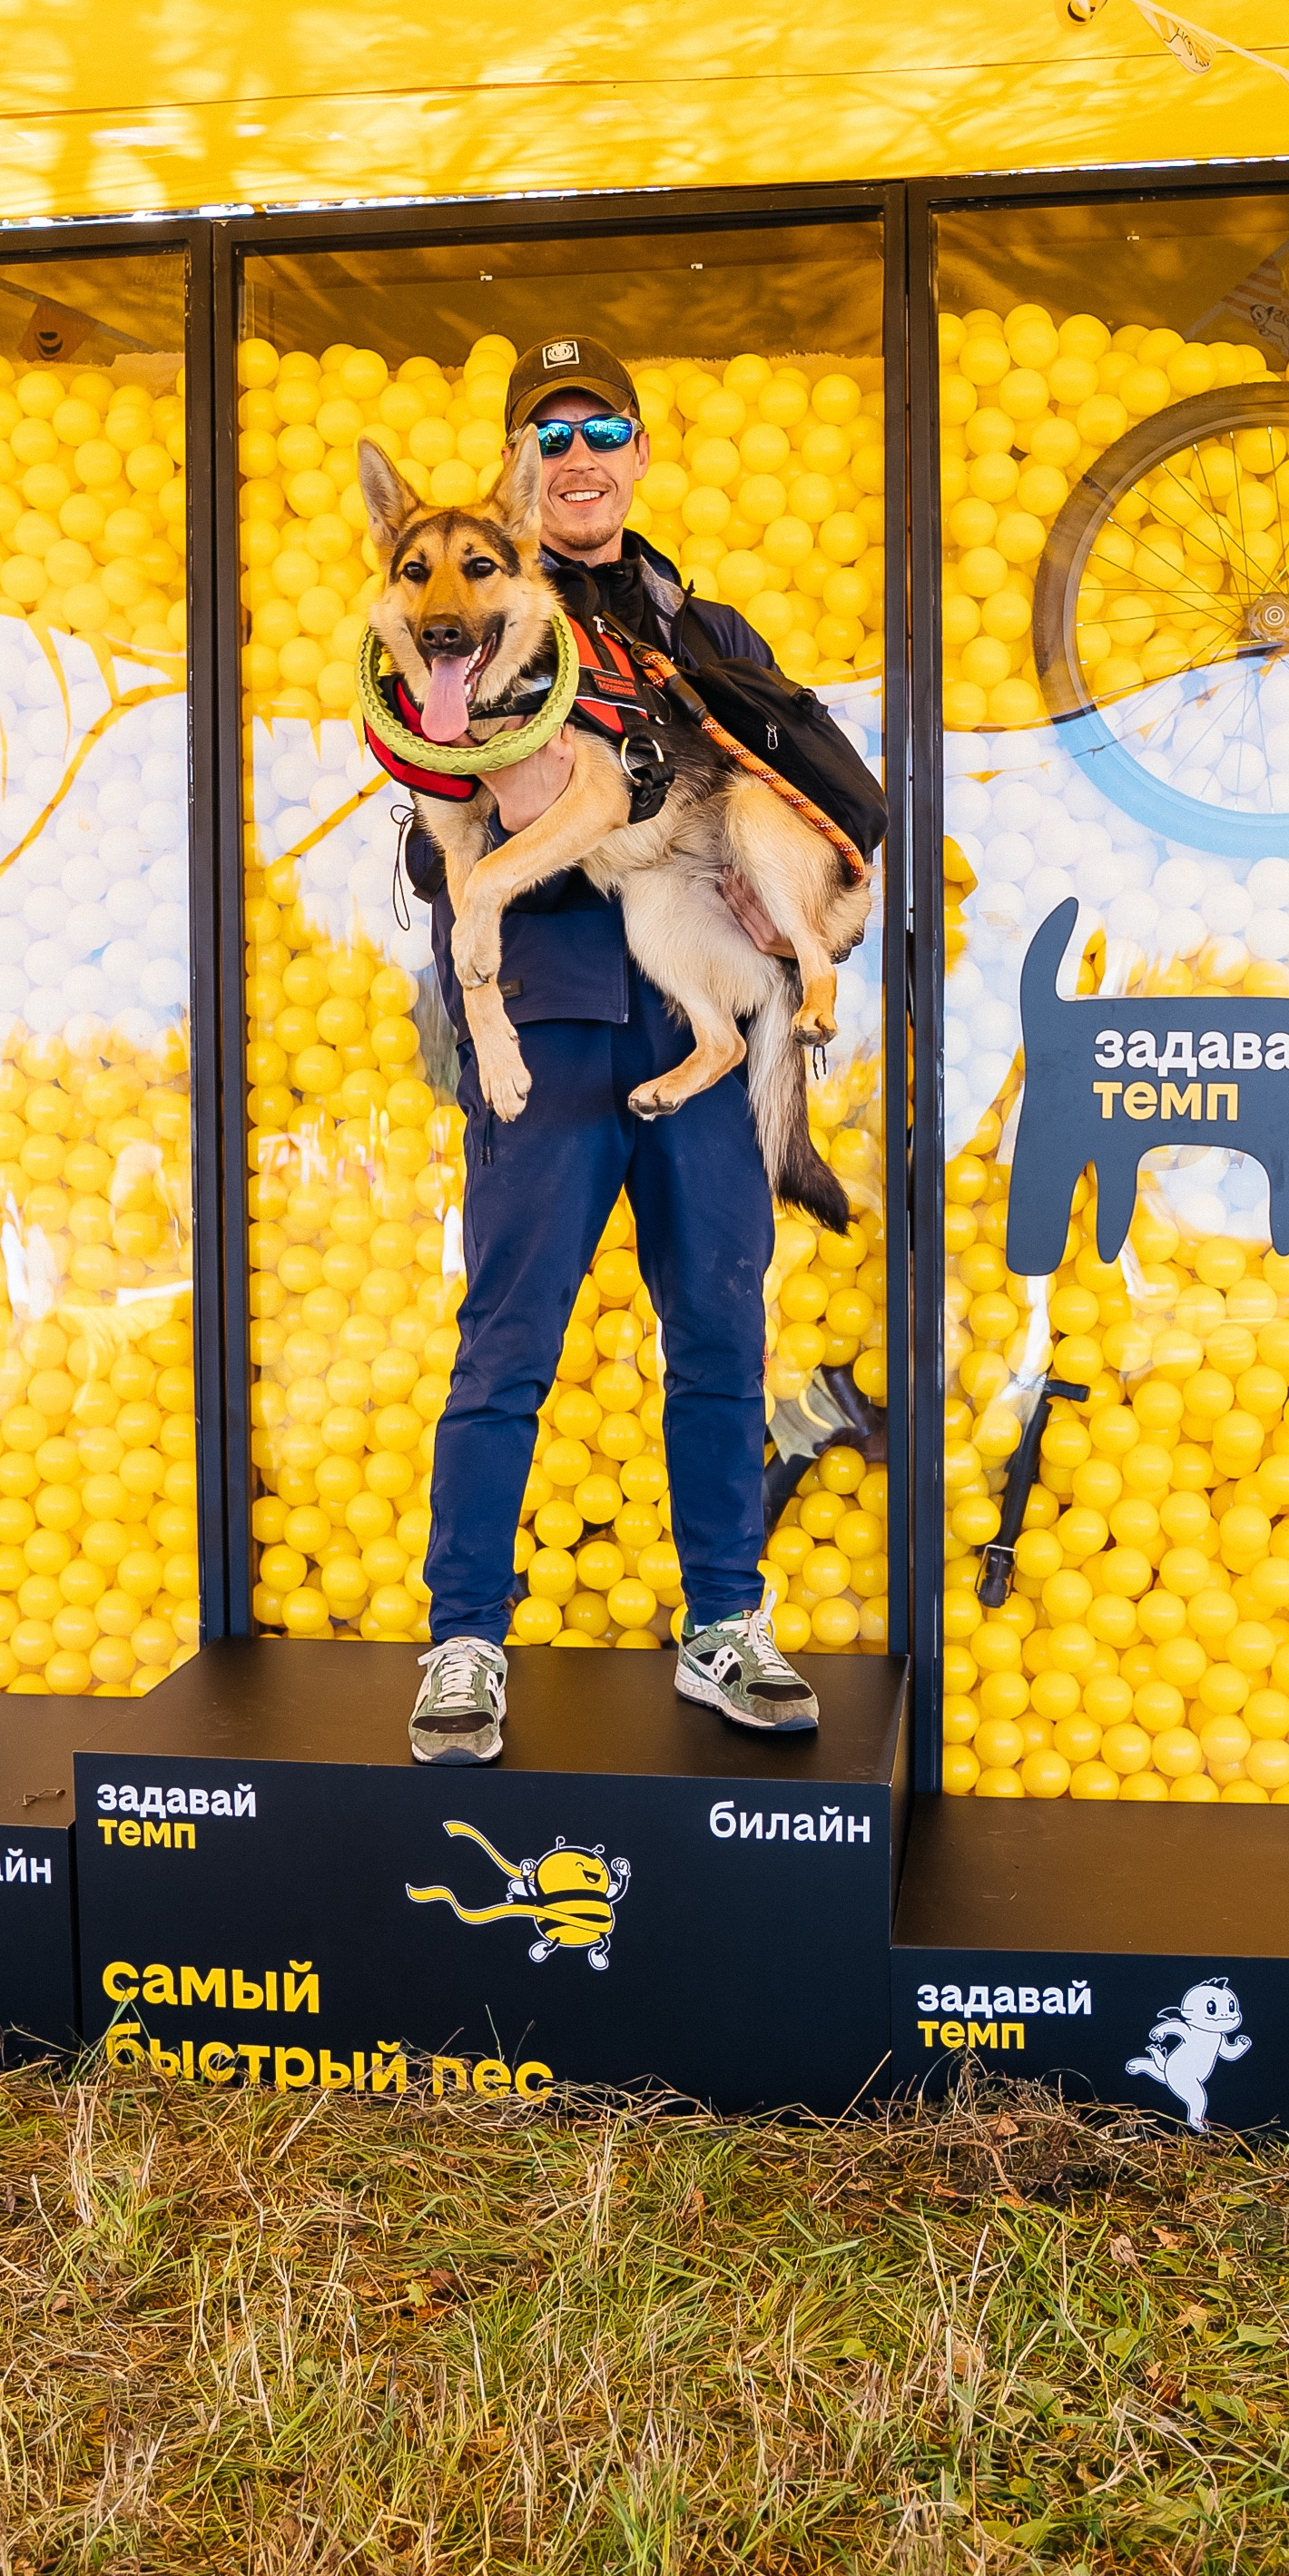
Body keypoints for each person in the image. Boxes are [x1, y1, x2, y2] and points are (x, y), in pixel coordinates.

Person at [403, 333, 822, 1765]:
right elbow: (428, 854)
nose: (577, 457)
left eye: (601, 430)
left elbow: (806, 797)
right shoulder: (458, 627)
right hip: (551, 1024)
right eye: (551, 435)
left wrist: (793, 913)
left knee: (722, 1332)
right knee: (505, 1343)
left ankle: (724, 1623)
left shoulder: (713, 637)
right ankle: (463, 1640)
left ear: (639, 454)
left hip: (699, 1027)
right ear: (522, 470)